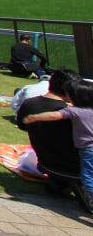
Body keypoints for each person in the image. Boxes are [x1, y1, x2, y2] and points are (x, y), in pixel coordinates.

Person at [23, 79, 93, 212]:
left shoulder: (76, 111)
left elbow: (54, 115)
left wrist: (34, 117)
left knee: (88, 177)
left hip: (88, 149)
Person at [17, 69, 81, 197]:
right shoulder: (69, 113)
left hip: (46, 163)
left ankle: (60, 184)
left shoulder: (29, 104)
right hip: (74, 167)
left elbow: (23, 126)